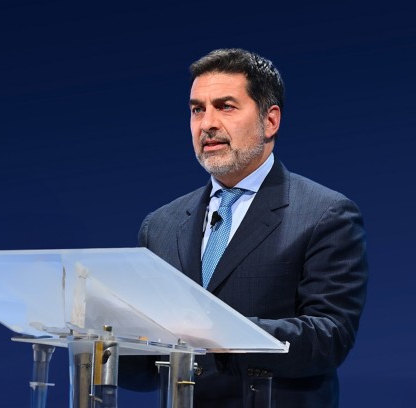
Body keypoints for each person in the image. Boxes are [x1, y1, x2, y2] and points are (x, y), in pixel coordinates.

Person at [121, 48, 368, 407]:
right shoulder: (160, 225)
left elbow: (329, 338)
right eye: (197, 110)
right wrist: (103, 337)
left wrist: (217, 329)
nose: (207, 124)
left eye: (225, 107)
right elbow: (145, 366)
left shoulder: (325, 214)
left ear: (270, 121)